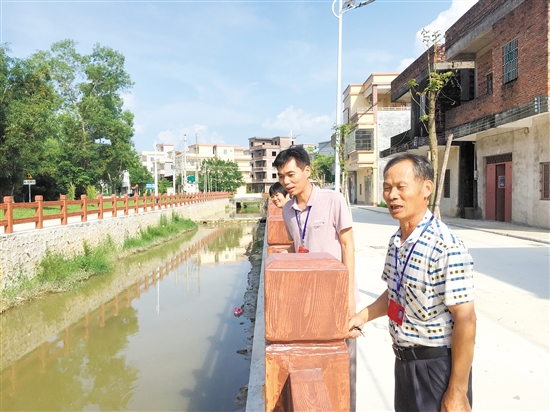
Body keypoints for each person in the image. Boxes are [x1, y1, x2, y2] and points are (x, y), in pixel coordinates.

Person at [348, 153, 476, 412]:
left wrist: (458, 391)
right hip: (404, 364)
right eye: (387, 187)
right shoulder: (397, 241)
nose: (392, 195)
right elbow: (395, 294)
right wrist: (362, 316)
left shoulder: (445, 246)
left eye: (401, 187)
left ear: (426, 188)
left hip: (436, 369)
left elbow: (466, 319)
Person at [273, 145, 358, 410]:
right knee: (311, 360)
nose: (286, 181)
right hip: (305, 299)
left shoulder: (333, 200)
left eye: (290, 174)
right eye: (281, 177)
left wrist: (350, 297)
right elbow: (296, 246)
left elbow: (348, 246)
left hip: (335, 296)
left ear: (306, 171)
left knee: (344, 363)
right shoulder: (287, 211)